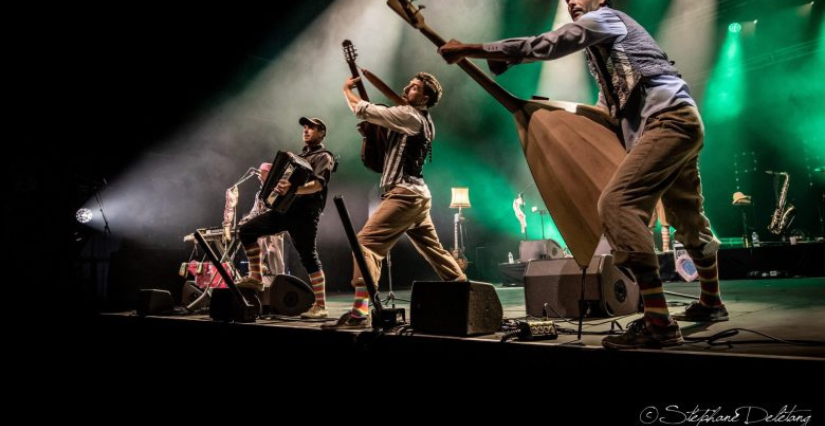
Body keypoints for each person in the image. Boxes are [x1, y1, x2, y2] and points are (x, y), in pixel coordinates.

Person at [439, 0, 726, 349]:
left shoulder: (605, 19)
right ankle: (712, 302)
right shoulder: (606, 58)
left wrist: (472, 49)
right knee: (688, 216)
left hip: (666, 122)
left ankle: (658, 322)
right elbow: (608, 113)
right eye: (567, 0)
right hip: (678, 121)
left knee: (618, 205)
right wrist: (546, 114)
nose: (572, 2)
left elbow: (545, 44)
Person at [322, 72, 466, 330]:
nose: (408, 85)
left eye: (415, 86)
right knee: (434, 251)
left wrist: (346, 90)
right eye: (410, 82)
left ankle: (359, 312)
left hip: (405, 195)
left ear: (424, 97)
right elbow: (383, 135)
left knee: (365, 243)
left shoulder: (409, 115)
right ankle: (465, 290)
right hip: (419, 197)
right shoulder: (424, 120)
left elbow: (361, 108)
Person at [236, 117, 335, 319]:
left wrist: (294, 188)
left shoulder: (324, 156)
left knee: (308, 256)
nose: (306, 130)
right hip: (284, 210)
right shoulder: (297, 157)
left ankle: (321, 306)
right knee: (247, 230)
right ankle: (256, 276)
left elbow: (318, 185)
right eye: (305, 127)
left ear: (322, 132)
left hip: (305, 214)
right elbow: (284, 186)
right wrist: (278, 190)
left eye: (312, 127)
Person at [223, 162, 287, 288]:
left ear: (269, 174)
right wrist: (245, 221)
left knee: (276, 264)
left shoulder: (277, 189)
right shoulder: (259, 194)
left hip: (273, 232)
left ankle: (280, 289)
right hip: (260, 232)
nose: (258, 176)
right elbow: (254, 212)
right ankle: (256, 281)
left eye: (262, 173)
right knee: (256, 260)